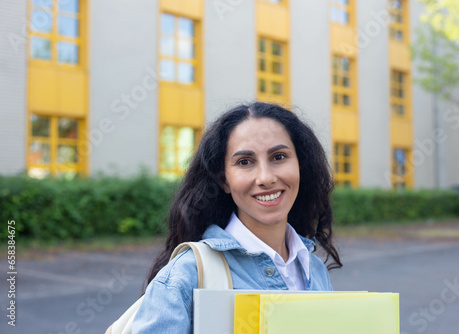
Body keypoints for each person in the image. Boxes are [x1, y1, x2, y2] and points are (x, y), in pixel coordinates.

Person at [132, 102, 342, 333]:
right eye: (245, 162)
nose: (265, 177)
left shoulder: (314, 269)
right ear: (224, 181)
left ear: (301, 166)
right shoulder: (185, 275)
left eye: (279, 156)